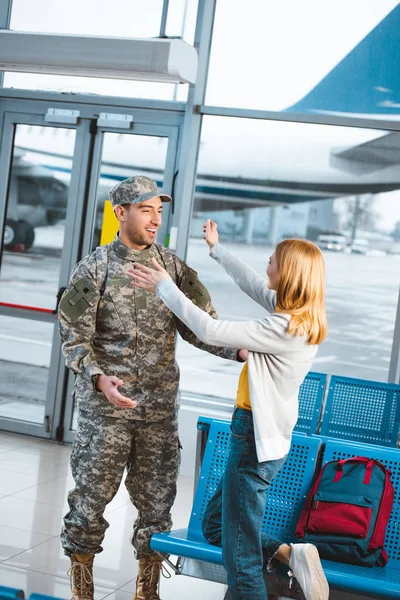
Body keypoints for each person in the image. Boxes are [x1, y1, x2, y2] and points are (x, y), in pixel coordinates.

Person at [58, 178, 242, 600]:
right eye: (146, 209)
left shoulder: (172, 269)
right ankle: (82, 588)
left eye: (160, 210)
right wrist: (98, 378)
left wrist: (241, 353)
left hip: (157, 413)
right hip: (105, 414)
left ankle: (148, 589)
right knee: (88, 503)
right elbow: (74, 338)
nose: (156, 218)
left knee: (158, 508)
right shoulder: (95, 268)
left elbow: (202, 326)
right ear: (121, 213)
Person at [128, 219, 329, 600]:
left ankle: (271, 570)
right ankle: (290, 554)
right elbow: (253, 282)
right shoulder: (300, 317)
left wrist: (163, 287)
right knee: (217, 524)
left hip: (252, 439)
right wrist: (217, 250)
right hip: (260, 436)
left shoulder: (283, 327)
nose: (266, 264)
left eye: (272, 260)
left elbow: (209, 330)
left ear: (288, 275)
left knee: (241, 562)